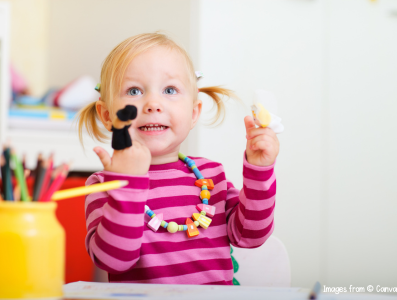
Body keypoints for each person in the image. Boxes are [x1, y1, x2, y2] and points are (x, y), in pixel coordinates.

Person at [77, 32, 279, 285]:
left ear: (194, 113)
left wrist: (260, 170)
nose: (153, 104)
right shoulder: (105, 184)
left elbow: (251, 235)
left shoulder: (211, 175)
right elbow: (113, 261)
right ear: (107, 115)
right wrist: (127, 186)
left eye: (169, 90)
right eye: (134, 90)